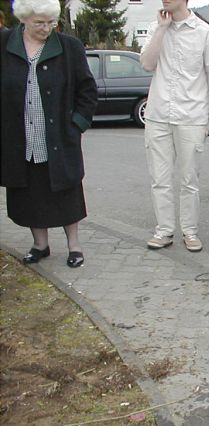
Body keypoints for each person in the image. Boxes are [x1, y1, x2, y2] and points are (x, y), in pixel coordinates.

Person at [0, 0, 98, 267]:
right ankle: (40, 245)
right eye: (39, 23)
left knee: (66, 192)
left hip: (58, 136)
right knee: (29, 193)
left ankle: (74, 246)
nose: (46, 28)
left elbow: (87, 90)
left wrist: (77, 123)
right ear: (24, 19)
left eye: (51, 22)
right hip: (19, 138)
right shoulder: (5, 44)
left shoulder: (69, 47)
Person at [140, 0, 209, 252]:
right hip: (158, 114)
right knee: (160, 179)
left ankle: (190, 232)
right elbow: (147, 63)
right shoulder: (156, 27)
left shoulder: (204, 32)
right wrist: (161, 29)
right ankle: (164, 231)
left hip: (192, 115)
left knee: (189, 179)